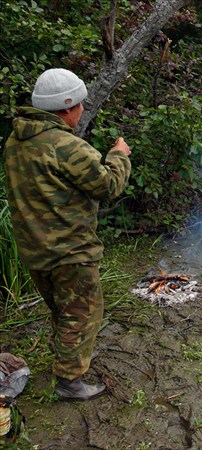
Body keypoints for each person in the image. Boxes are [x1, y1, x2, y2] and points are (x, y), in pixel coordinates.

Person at [3, 68, 132, 401]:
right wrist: (119, 155)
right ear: (67, 106)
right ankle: (70, 383)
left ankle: (65, 359)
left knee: (63, 310)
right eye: (80, 105)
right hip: (70, 250)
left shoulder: (16, 141)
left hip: (35, 250)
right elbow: (107, 185)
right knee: (83, 313)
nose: (82, 111)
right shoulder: (65, 145)